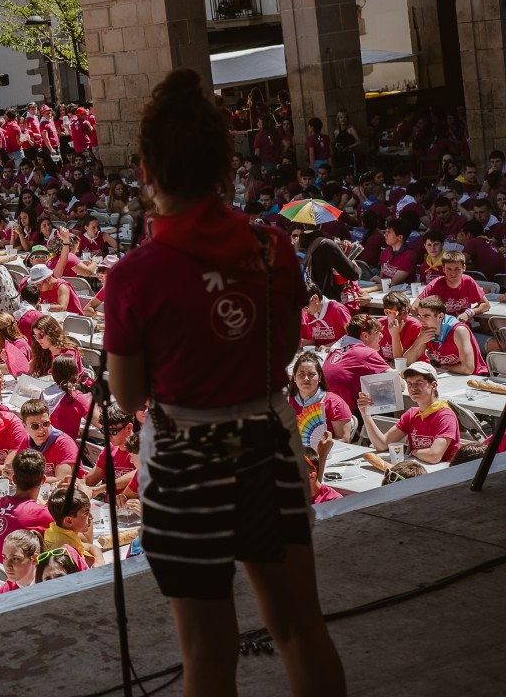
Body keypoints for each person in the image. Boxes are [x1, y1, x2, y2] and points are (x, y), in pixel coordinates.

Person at [102, 70, 344, 695]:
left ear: (147, 170)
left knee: (207, 653)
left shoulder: (134, 276)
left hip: (183, 462)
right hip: (268, 443)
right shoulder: (273, 250)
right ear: (226, 169)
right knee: (298, 627)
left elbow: (129, 398)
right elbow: (286, 349)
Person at [357, 360, 461, 464]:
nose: (413, 388)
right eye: (409, 383)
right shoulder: (411, 414)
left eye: (419, 382)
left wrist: (414, 452)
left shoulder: (445, 416)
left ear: (434, 385)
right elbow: (382, 444)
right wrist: (365, 414)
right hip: (417, 469)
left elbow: (434, 456)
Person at [0, 449, 52, 563]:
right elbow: (75, 535)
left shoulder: (0, 503)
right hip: (14, 578)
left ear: (14, 479)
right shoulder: (41, 513)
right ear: (43, 480)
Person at [319, 314, 390, 416]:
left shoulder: (336, 349)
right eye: (377, 332)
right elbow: (397, 382)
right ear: (365, 336)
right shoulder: (366, 353)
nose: (381, 335)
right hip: (345, 416)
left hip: (324, 409)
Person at [407, 295, 487, 375]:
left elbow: (468, 369)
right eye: (419, 316)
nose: (421, 321)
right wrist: (418, 341)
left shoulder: (458, 330)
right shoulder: (426, 330)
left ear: (440, 316)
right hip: (449, 376)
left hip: (473, 378)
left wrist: (445, 367)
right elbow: (408, 362)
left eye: (426, 316)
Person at [290, 353, 355, 446]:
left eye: (311, 374)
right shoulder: (288, 400)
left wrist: (318, 446)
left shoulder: (335, 404)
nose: (306, 378)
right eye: (301, 374)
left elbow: (344, 440)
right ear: (294, 377)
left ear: (319, 377)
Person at [43, 486, 104, 570]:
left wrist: (99, 561)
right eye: (86, 514)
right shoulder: (64, 551)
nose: (91, 517)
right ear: (69, 521)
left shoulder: (60, 533)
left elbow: (91, 547)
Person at [19, 398, 78, 482]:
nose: (41, 430)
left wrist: (27, 480)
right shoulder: (27, 441)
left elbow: (62, 481)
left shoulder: (64, 443)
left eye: (45, 424)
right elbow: (17, 470)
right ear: (24, 426)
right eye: (35, 426)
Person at [0, 529, 42, 594]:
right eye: (4, 557)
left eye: (15, 559)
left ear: (34, 559)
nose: (7, 566)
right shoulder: (7, 588)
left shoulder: (46, 587)